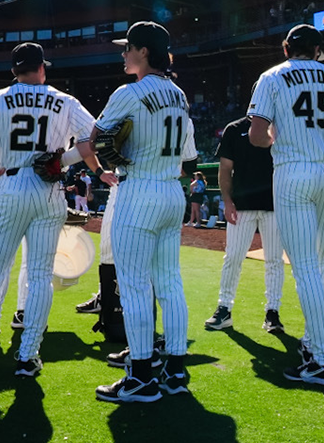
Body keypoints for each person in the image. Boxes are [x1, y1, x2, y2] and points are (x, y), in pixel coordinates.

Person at [0, 42, 100, 379]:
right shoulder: (65, 100)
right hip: (49, 191)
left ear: (14, 70)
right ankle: (29, 354)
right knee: (40, 276)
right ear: (42, 68)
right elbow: (95, 139)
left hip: (10, 185)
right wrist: (63, 159)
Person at [86, 22, 199, 403]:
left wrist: (115, 155)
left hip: (139, 188)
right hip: (171, 190)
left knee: (134, 286)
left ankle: (140, 376)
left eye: (128, 48)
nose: (124, 54)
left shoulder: (129, 91)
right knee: (169, 282)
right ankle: (177, 369)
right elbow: (188, 159)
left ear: (144, 52)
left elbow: (95, 139)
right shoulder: (179, 94)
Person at [248, 24, 324, 387]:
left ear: (286, 48)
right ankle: (312, 343)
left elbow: (256, 136)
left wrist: (278, 136)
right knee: (317, 264)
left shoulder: (271, 76)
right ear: (317, 50)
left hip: (293, 170)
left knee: (305, 269)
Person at [207, 114, 284, 335]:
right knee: (233, 257)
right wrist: (227, 201)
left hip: (275, 205)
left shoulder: (283, 125)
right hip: (242, 205)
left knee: (274, 261)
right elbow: (224, 168)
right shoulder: (235, 128)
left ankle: (273, 312)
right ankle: (224, 308)